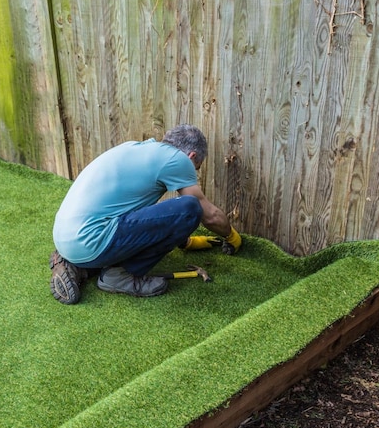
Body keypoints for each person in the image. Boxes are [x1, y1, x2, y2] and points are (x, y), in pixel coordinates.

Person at [50, 124, 241, 304]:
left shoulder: (135, 148)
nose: (193, 174)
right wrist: (231, 236)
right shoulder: (178, 160)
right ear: (191, 156)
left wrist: (186, 241)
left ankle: (76, 265)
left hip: (65, 235)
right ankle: (119, 275)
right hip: (91, 238)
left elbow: (136, 214)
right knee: (190, 208)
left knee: (172, 210)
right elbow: (209, 216)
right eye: (196, 168)